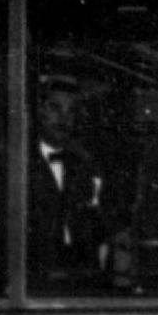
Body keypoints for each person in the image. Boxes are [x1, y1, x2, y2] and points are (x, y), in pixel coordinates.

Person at [27, 78, 107, 291]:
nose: (63, 118)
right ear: (40, 111)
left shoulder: (85, 166)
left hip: (79, 283)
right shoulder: (22, 165)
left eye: (71, 111)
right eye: (55, 108)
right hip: (34, 283)